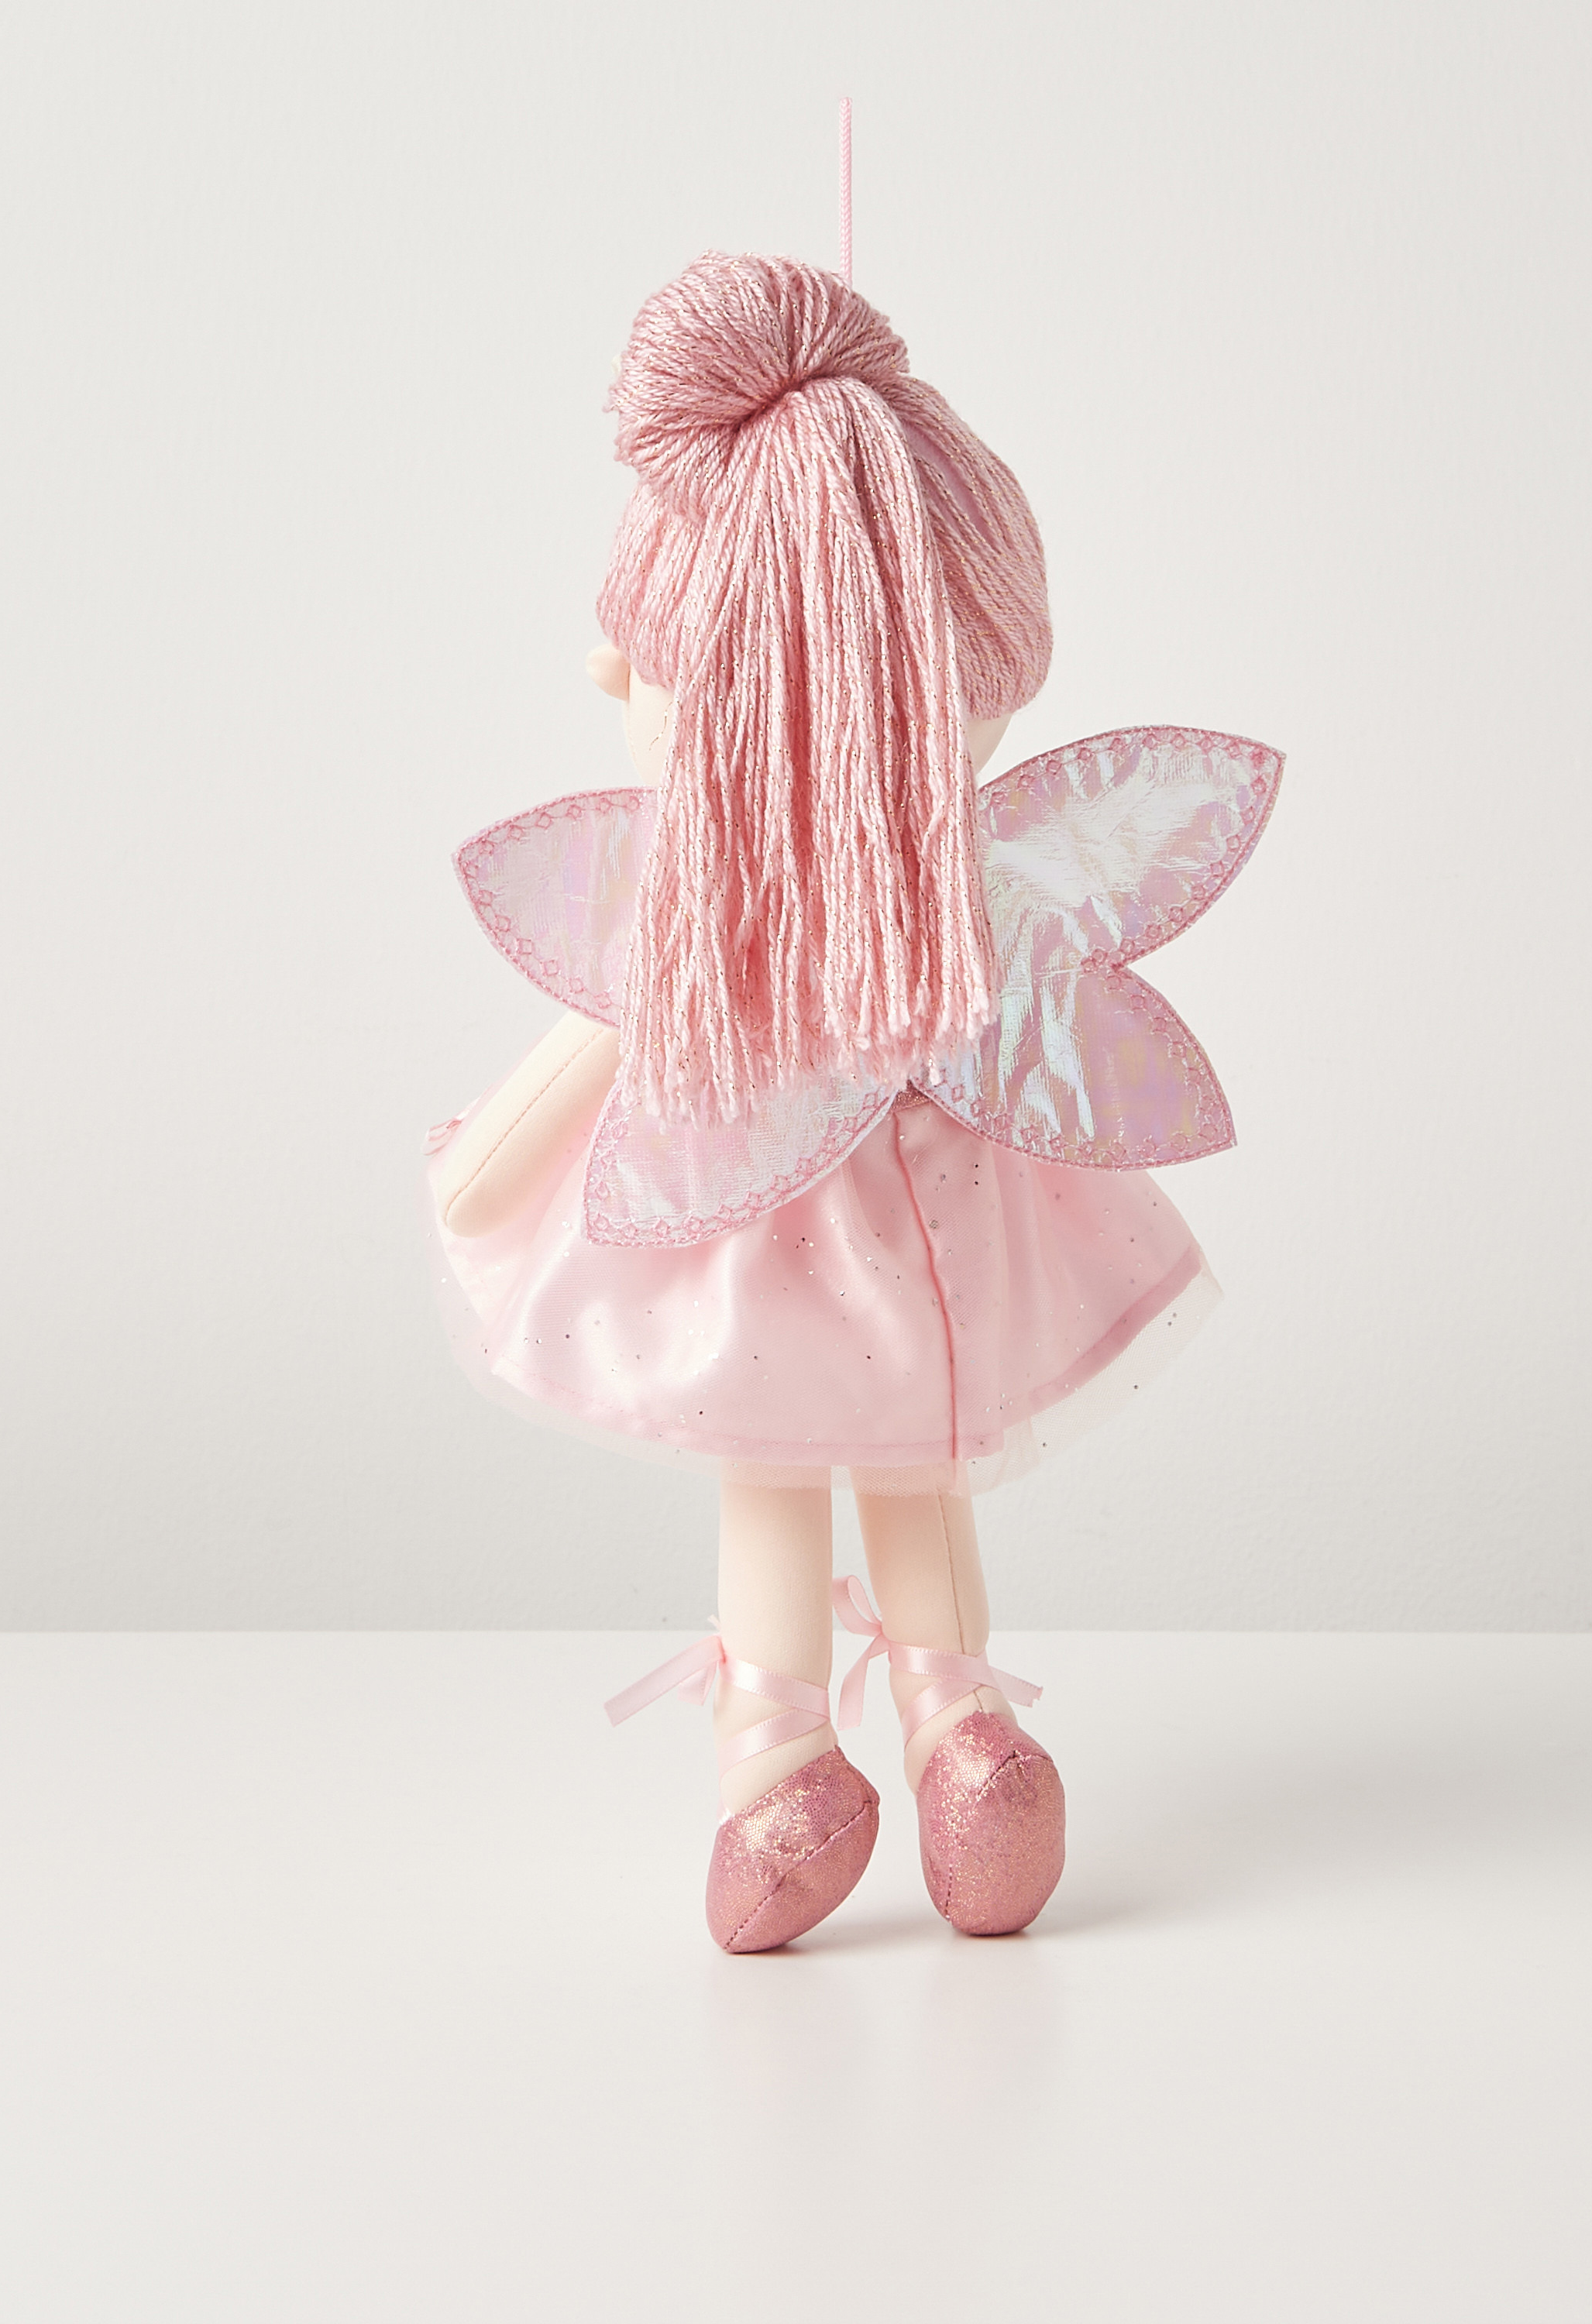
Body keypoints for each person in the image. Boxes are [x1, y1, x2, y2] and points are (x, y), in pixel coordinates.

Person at [427, 252, 1278, 1952]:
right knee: (915, 1470)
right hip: (943, 1251)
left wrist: (472, 1179)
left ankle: (781, 1767)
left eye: (643, 652)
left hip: (735, 1252)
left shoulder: (685, 913)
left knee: (765, 1478)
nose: (607, 669)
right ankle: (966, 1732)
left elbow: (512, 1144)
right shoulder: (968, 902)